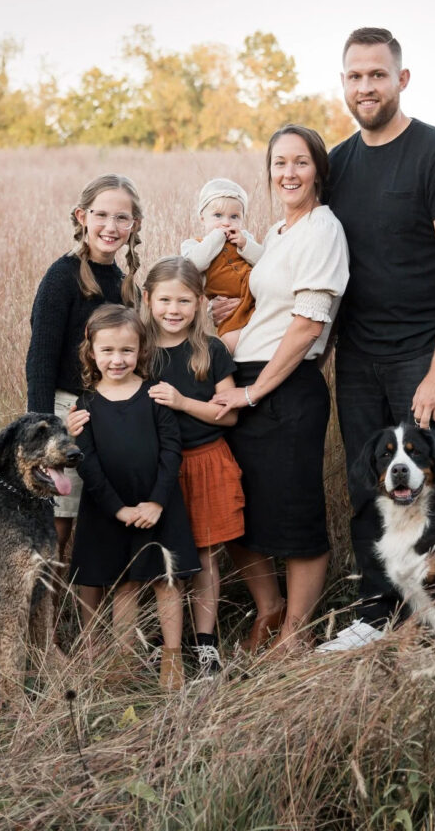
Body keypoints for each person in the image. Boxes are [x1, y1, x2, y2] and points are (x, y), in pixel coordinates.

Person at [319, 26, 435, 652]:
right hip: (359, 355)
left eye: (377, 75)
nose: (366, 87)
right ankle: (375, 613)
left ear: (401, 80)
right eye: (355, 76)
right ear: (343, 83)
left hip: (425, 352)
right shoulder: (338, 164)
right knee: (370, 484)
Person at [69, 256, 246, 677]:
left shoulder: (209, 349)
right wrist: (70, 426)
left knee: (200, 555)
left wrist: (182, 403)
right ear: (147, 299)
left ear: (199, 302)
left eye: (184, 301)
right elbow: (107, 399)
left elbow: (230, 415)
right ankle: (136, 650)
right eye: (165, 300)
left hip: (200, 460)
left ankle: (203, 645)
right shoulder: (136, 345)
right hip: (147, 472)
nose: (173, 309)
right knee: (139, 568)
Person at [212, 124, 349, 653]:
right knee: (235, 508)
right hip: (247, 379)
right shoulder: (278, 232)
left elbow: (309, 324)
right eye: (279, 163)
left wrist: (254, 394)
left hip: (283, 391)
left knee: (294, 514)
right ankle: (268, 610)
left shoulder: (322, 230)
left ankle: (294, 633)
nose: (289, 173)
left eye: (301, 162)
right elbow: (270, 311)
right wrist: (223, 329)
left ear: (319, 171)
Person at [69, 304, 199, 690]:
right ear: (91, 352)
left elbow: (171, 451)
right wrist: (118, 509)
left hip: (158, 504)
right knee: (123, 584)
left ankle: (172, 662)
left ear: (141, 350)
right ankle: (123, 663)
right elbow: (87, 464)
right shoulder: (85, 406)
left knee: (166, 581)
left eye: (127, 350)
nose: (117, 359)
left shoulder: (154, 395)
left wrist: (156, 502)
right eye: (107, 350)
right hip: (111, 509)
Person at [25, 174, 142, 573]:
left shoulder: (126, 285)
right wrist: (42, 431)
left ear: (134, 225)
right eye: (102, 215)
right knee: (57, 523)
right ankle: (42, 611)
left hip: (111, 412)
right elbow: (41, 359)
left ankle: (93, 605)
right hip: (65, 414)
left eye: (122, 218)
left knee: (102, 517)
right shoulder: (62, 276)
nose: (111, 226)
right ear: (82, 217)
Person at [181, 177, 263, 352]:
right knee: (231, 343)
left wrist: (245, 245)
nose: (226, 222)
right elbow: (194, 265)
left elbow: (265, 262)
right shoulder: (193, 245)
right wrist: (216, 237)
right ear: (202, 218)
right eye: (218, 216)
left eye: (234, 217)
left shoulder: (245, 239)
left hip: (256, 300)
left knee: (261, 335)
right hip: (229, 309)